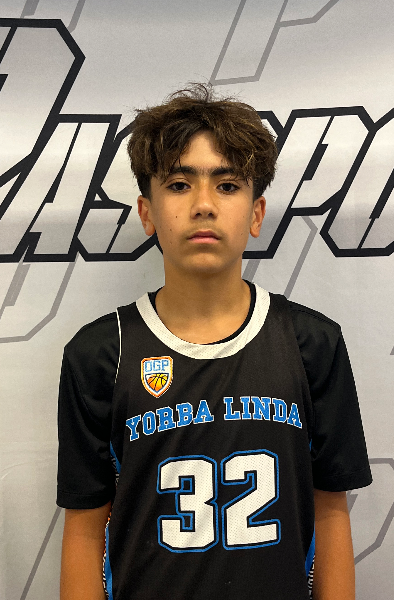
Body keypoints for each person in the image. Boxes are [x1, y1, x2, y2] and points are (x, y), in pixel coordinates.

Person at [57, 83, 372, 600]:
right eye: (179, 184)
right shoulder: (99, 354)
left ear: (256, 213)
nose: (203, 205)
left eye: (227, 185)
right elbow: (85, 529)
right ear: (147, 212)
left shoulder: (312, 344)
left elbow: (331, 513)